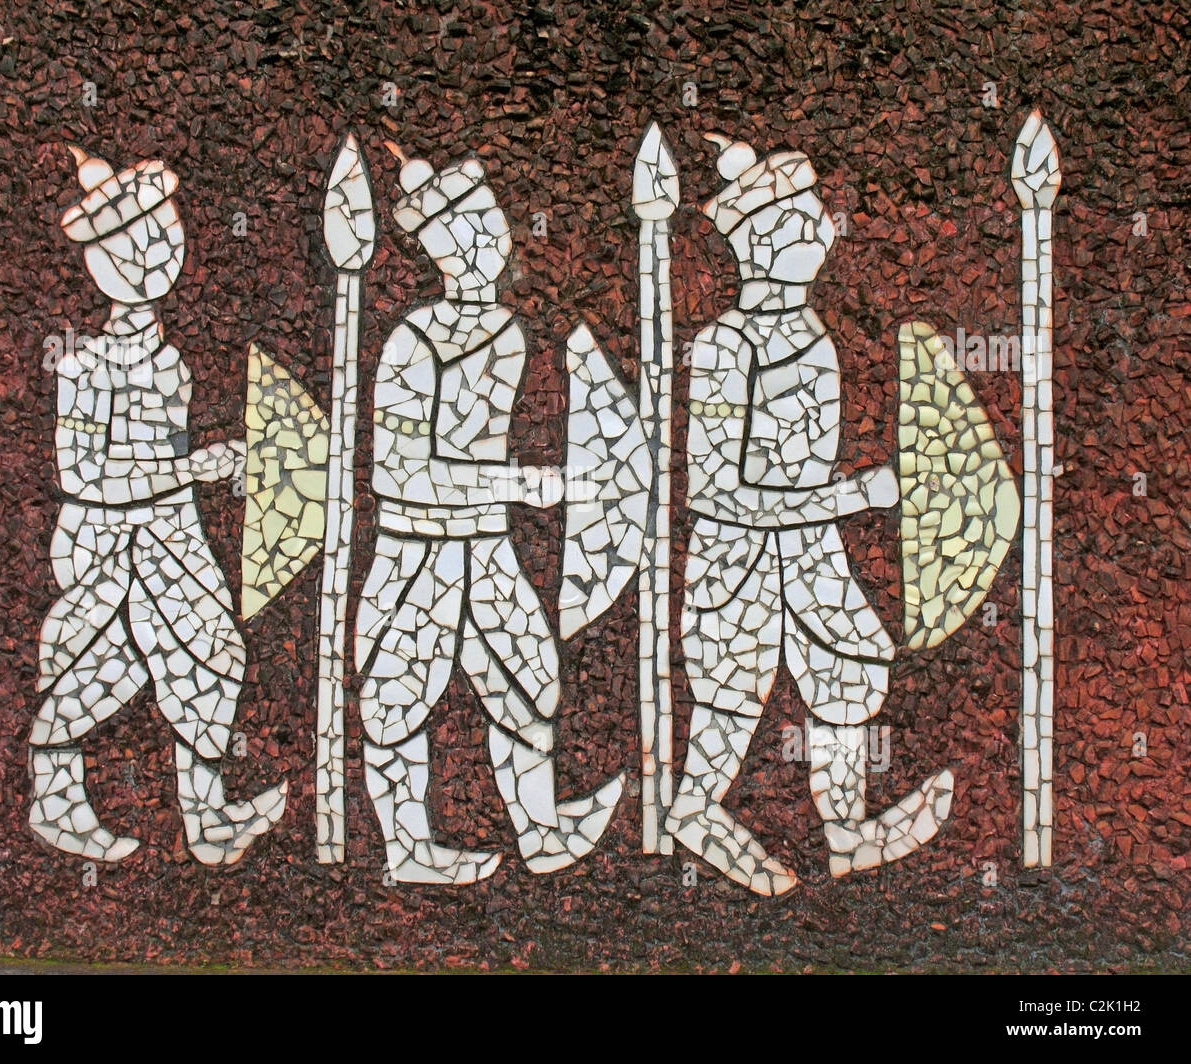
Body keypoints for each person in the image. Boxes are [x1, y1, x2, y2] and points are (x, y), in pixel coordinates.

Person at [665, 137, 953, 895]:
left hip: (810, 547)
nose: (824, 226)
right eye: (802, 216)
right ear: (759, 237)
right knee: (730, 694)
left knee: (846, 671)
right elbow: (717, 490)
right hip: (740, 557)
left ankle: (846, 830)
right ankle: (693, 810)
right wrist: (852, 497)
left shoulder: (811, 333)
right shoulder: (727, 343)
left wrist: (833, 505)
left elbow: (803, 465)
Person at [355, 147, 623, 884]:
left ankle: (539, 828)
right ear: (439, 247)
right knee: (399, 693)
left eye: (492, 220)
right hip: (417, 552)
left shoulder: (506, 331)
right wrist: (517, 483)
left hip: (485, 545)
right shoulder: (411, 340)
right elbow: (399, 470)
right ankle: (407, 849)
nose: (489, 237)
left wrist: (516, 490)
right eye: (469, 225)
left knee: (528, 675)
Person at [30, 147, 287, 865]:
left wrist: (206, 472)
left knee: (208, 655)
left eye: (164, 229)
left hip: (173, 531)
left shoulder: (169, 360)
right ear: (100, 261)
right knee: (98, 662)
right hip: (112, 538)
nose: (156, 249)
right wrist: (191, 467)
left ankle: (207, 819)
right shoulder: (83, 363)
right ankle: (58, 798)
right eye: (136, 239)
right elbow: (79, 472)